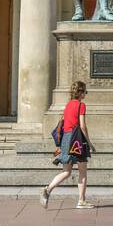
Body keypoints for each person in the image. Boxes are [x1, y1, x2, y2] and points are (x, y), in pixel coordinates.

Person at [41, 81, 94, 209]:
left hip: (66, 138)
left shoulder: (68, 105)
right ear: (80, 93)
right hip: (77, 140)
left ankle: (48, 189)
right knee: (82, 172)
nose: (85, 94)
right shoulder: (81, 105)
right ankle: (81, 201)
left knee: (66, 172)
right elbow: (82, 125)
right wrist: (90, 143)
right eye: (85, 92)